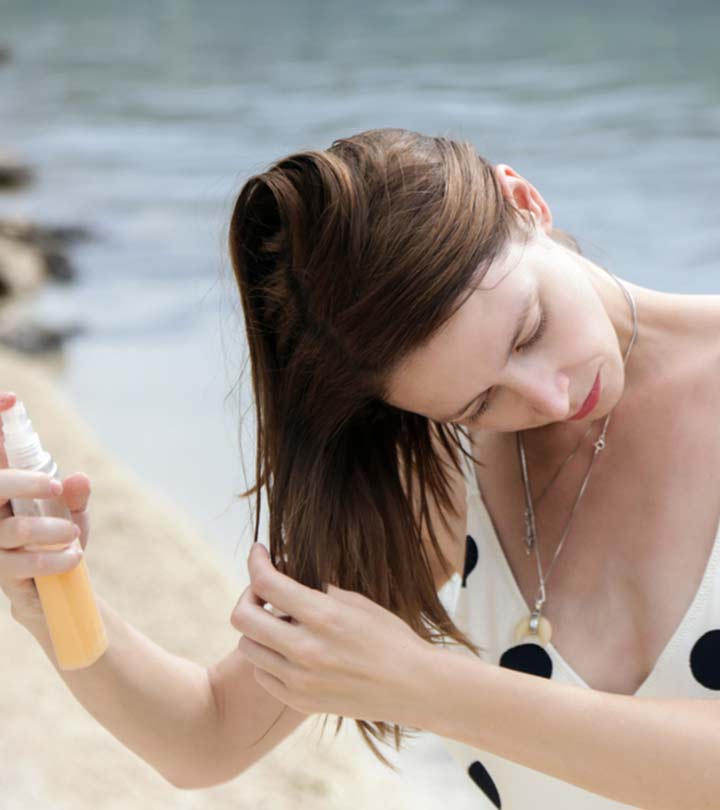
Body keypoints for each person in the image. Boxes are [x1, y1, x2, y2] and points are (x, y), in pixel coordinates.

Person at [2, 127, 719, 807]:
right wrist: (54, 596)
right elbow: (208, 736)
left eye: (528, 330)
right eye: (480, 400)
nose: (553, 398)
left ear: (524, 202)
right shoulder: (447, 468)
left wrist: (425, 685)